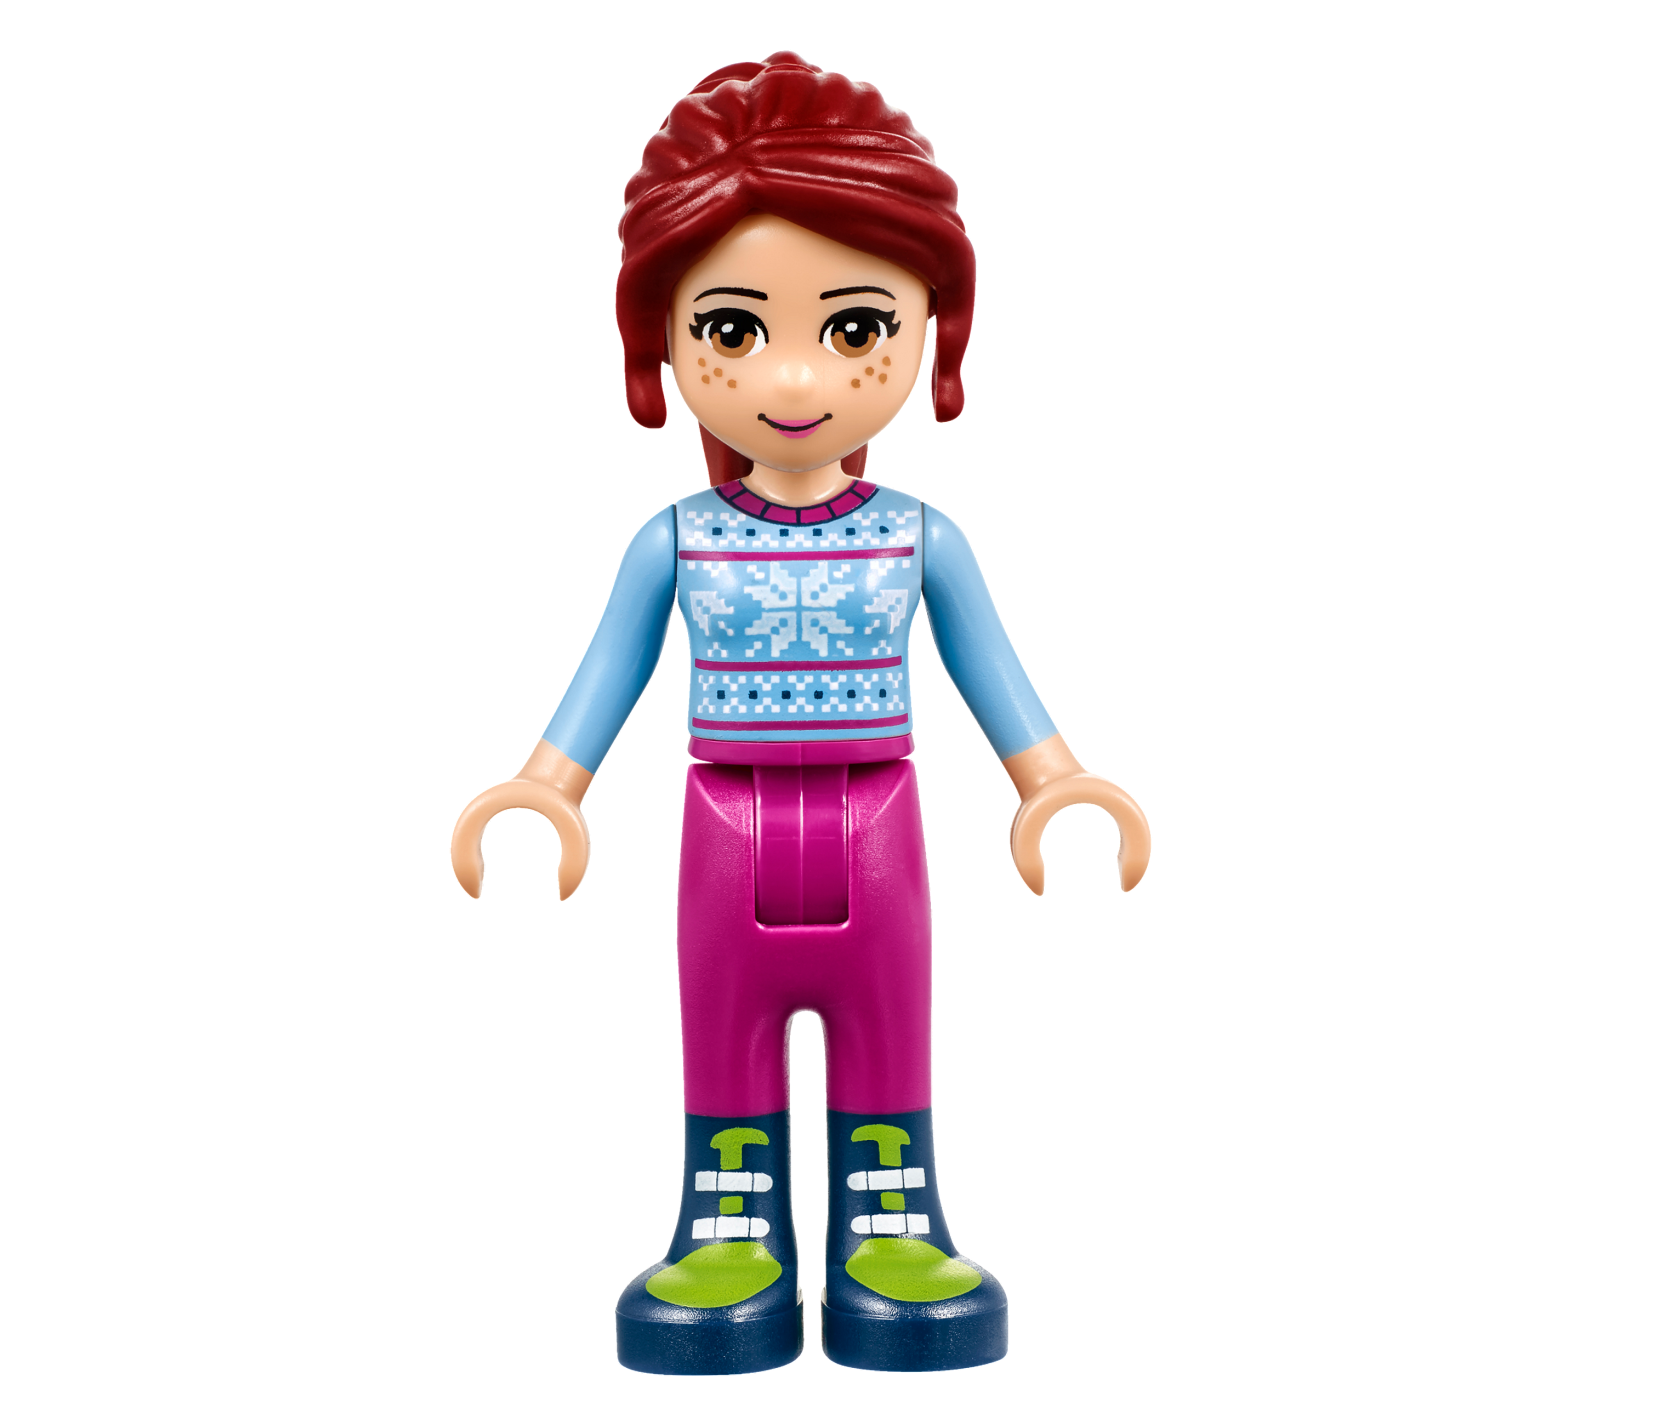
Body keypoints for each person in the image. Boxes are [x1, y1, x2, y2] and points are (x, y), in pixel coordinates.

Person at [450, 52, 1149, 1375]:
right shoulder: (676, 541)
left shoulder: (920, 538)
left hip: (881, 827)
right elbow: (607, 674)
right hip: (723, 830)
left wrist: (1053, 783)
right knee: (724, 1031)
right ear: (662, 340)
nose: (791, 375)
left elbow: (993, 673)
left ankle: (892, 1219)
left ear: (929, 331)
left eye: (853, 326)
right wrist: (546, 787)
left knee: (889, 1025)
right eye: (732, 329)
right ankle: (731, 1228)